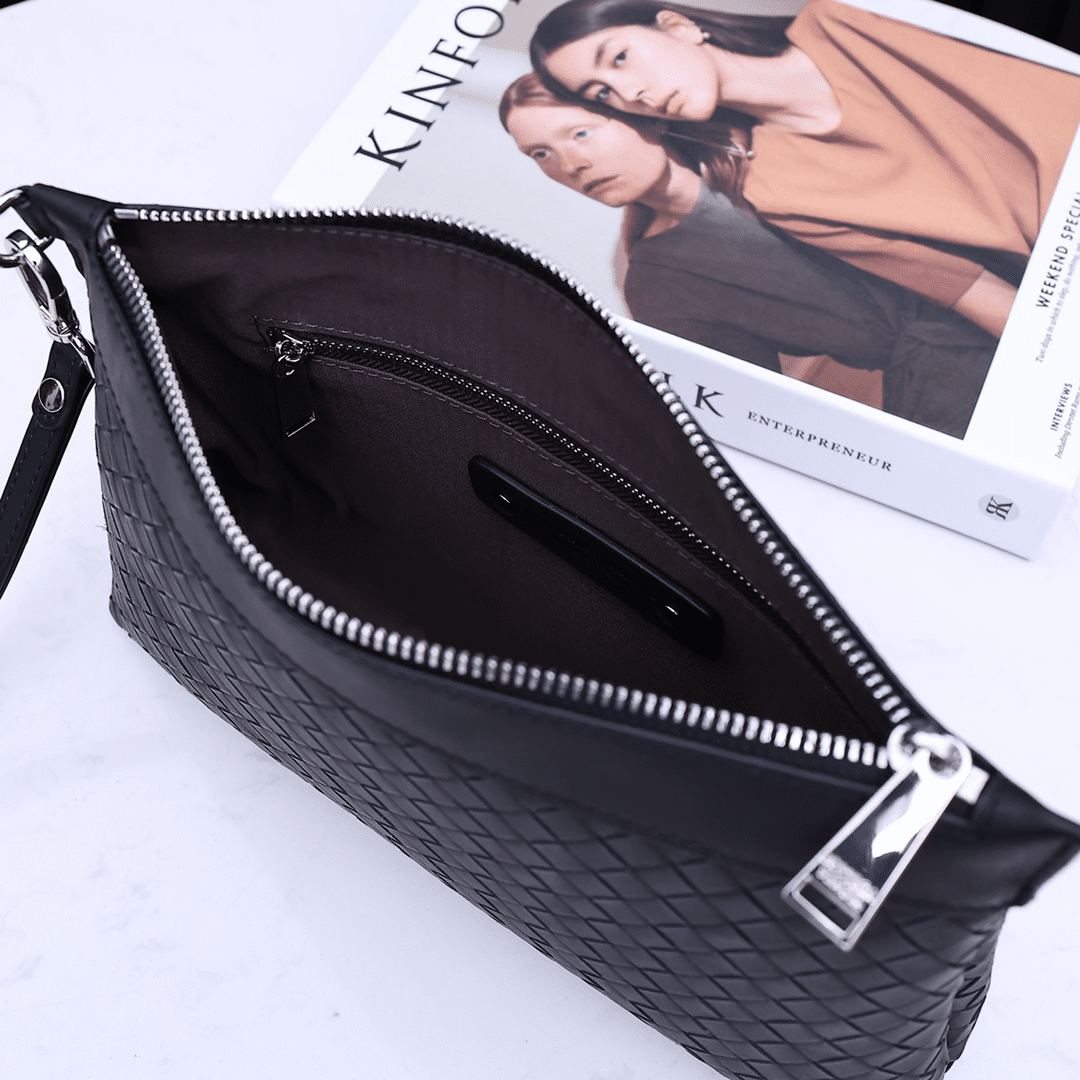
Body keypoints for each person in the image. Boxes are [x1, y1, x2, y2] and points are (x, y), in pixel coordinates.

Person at [530, 0, 1080, 339]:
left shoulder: (847, 17)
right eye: (602, 94)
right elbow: (973, 292)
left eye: (619, 58)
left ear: (678, 26)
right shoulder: (777, 190)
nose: (631, 93)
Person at [499, 73, 997, 437]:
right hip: (953, 395)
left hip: (1009, 287)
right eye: (540, 154)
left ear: (641, 116)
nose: (571, 164)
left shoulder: (766, 141)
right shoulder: (656, 281)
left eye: (580, 133)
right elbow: (755, 417)